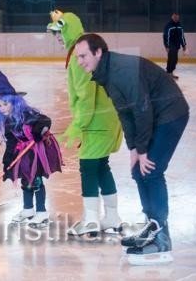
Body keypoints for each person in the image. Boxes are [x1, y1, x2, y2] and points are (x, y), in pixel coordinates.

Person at [74, 33, 189, 265]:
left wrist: (144, 149)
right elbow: (124, 113)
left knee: (151, 170)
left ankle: (162, 237)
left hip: (171, 113)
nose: (80, 61)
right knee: (139, 171)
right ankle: (152, 226)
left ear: (98, 52)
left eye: (83, 55)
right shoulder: (105, 73)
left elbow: (142, 109)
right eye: (77, 57)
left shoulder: (120, 71)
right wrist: (134, 149)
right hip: (155, 115)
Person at [47, 10, 124, 237]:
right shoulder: (84, 49)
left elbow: (86, 93)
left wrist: (79, 124)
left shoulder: (77, 56)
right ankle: (111, 216)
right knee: (101, 166)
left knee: (88, 168)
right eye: (55, 34)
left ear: (69, 29)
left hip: (96, 120)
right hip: (107, 118)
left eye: (60, 32)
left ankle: (91, 220)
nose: (58, 38)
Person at [0, 69, 63, 228]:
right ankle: (28, 209)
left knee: (36, 181)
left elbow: (45, 121)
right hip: (24, 152)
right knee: (26, 180)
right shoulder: (7, 121)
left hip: (37, 151)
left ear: (14, 101)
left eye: (5, 104)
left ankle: (41, 212)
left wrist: (37, 132)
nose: (2, 108)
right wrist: (7, 161)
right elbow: (11, 142)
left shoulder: (27, 114)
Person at [163, 13, 187, 79]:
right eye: (175, 17)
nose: (176, 18)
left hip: (177, 45)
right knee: (172, 58)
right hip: (170, 45)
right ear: (172, 17)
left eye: (177, 17)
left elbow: (182, 36)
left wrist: (184, 45)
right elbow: (166, 37)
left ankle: (170, 73)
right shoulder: (168, 26)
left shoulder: (179, 26)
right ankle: (169, 73)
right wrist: (166, 46)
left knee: (174, 59)